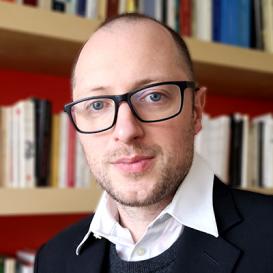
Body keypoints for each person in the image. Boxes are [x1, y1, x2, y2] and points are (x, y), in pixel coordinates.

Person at [34, 13, 273, 273]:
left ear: (195, 110)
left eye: (154, 96)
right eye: (98, 104)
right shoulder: (53, 258)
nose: (126, 131)